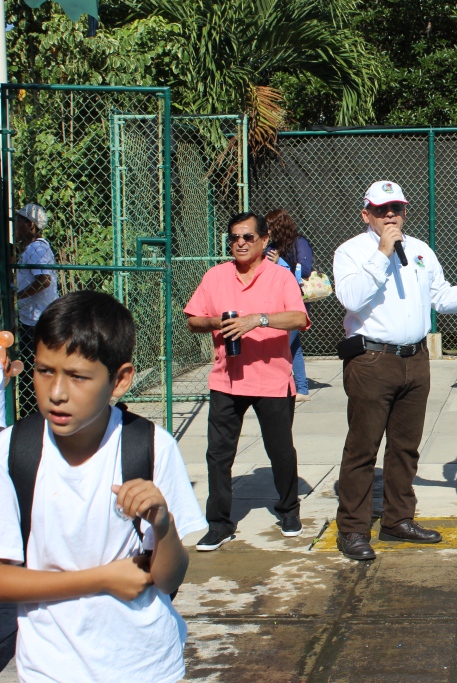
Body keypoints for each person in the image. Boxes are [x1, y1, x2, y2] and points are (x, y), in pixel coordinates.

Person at [0, 291, 207, 683]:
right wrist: (103, 578)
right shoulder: (12, 451)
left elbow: (169, 578)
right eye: (45, 371)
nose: (57, 392)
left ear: (120, 379)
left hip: (144, 667)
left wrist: (163, 524)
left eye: (78, 376)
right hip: (47, 669)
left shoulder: (151, 447)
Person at [332, 180, 457, 561]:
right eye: (381, 209)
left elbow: (442, 297)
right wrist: (383, 252)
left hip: (415, 361)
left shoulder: (420, 251)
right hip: (372, 361)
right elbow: (351, 298)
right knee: (363, 448)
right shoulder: (351, 251)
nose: (390, 215)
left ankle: (398, 519)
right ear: (366, 214)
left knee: (405, 448)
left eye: (396, 208)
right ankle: (353, 528)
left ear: (405, 211)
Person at [184, 212, 311, 552]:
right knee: (218, 454)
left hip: (272, 379)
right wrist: (216, 322)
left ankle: (289, 510)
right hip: (226, 379)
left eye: (247, 237)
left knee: (280, 450)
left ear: (264, 240)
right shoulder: (216, 276)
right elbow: (192, 320)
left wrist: (258, 320)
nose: (240, 243)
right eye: (234, 237)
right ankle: (219, 524)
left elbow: (299, 317)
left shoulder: (280, 277)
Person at [13, 204, 58, 418]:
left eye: (19, 221)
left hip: (36, 320)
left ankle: (33, 417)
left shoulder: (36, 249)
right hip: (33, 319)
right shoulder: (33, 248)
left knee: (31, 373)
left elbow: (44, 280)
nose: (15, 225)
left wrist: (17, 296)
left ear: (31, 225)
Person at [266, 209, 314, 402]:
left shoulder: (299, 242)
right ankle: (302, 389)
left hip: (295, 301)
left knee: (284, 343)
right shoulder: (271, 246)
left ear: (278, 226)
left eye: (270, 227)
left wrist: (280, 262)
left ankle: (276, 385)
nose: (267, 231)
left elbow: (305, 270)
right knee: (294, 346)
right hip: (276, 300)